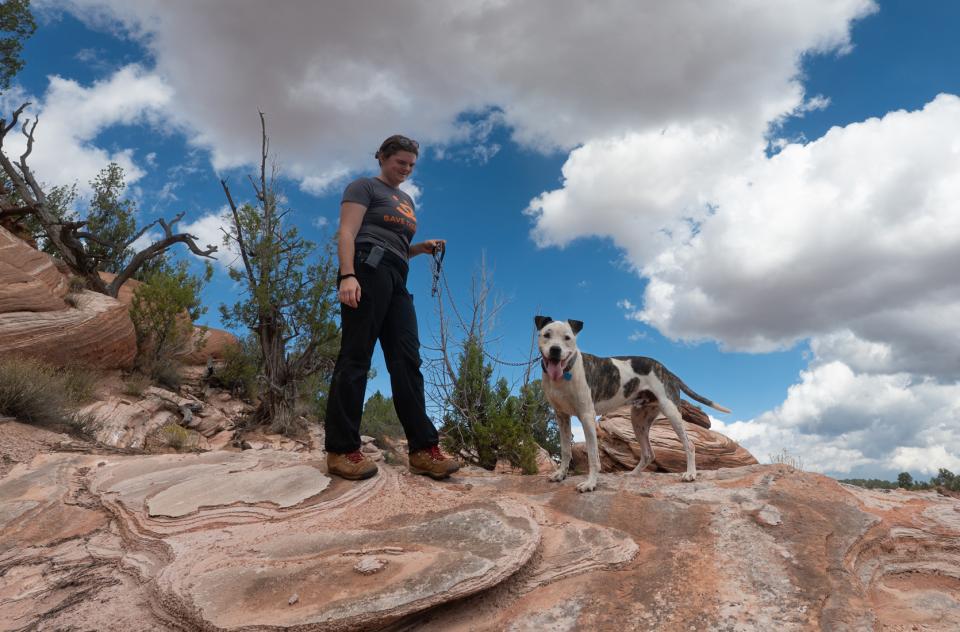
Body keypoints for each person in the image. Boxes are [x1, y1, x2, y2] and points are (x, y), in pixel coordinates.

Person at [324, 134, 460, 481]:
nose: (406, 169)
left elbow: (397, 245)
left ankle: (423, 450)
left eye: (411, 165)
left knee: (407, 360)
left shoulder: (406, 200)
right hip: (366, 270)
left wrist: (419, 248)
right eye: (401, 162)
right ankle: (341, 450)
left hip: (398, 277)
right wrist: (347, 275)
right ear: (382, 158)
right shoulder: (364, 187)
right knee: (356, 356)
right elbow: (347, 233)